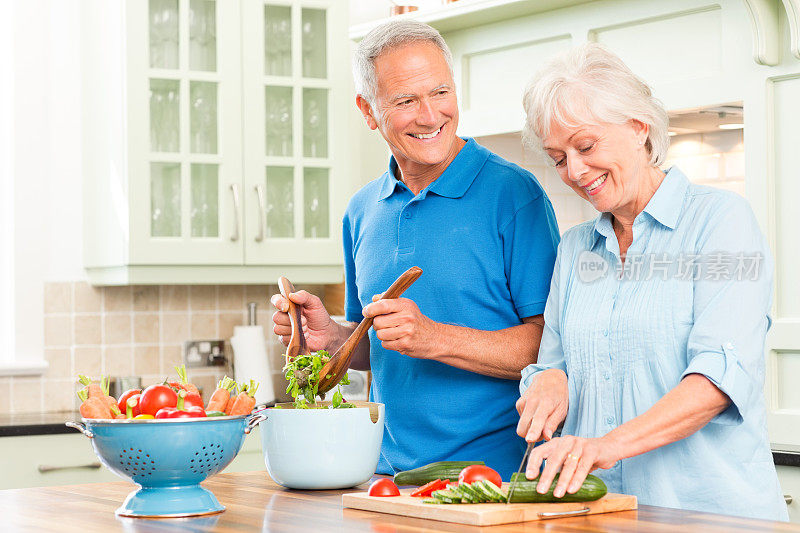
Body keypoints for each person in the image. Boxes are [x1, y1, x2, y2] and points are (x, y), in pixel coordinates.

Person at [271, 20, 560, 478]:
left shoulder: (514, 196)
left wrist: (435, 337)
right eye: (406, 101)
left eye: (440, 92)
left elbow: (553, 347)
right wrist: (332, 338)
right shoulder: (362, 210)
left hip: (491, 481)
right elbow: (377, 348)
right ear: (369, 111)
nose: (431, 116)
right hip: (384, 477)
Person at [515, 42, 788, 520]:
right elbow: (552, 360)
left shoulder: (720, 222)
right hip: (604, 514)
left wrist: (605, 447)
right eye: (558, 158)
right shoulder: (577, 247)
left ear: (639, 128)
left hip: (709, 516)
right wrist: (548, 382)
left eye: (585, 146)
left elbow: (717, 382)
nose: (574, 172)